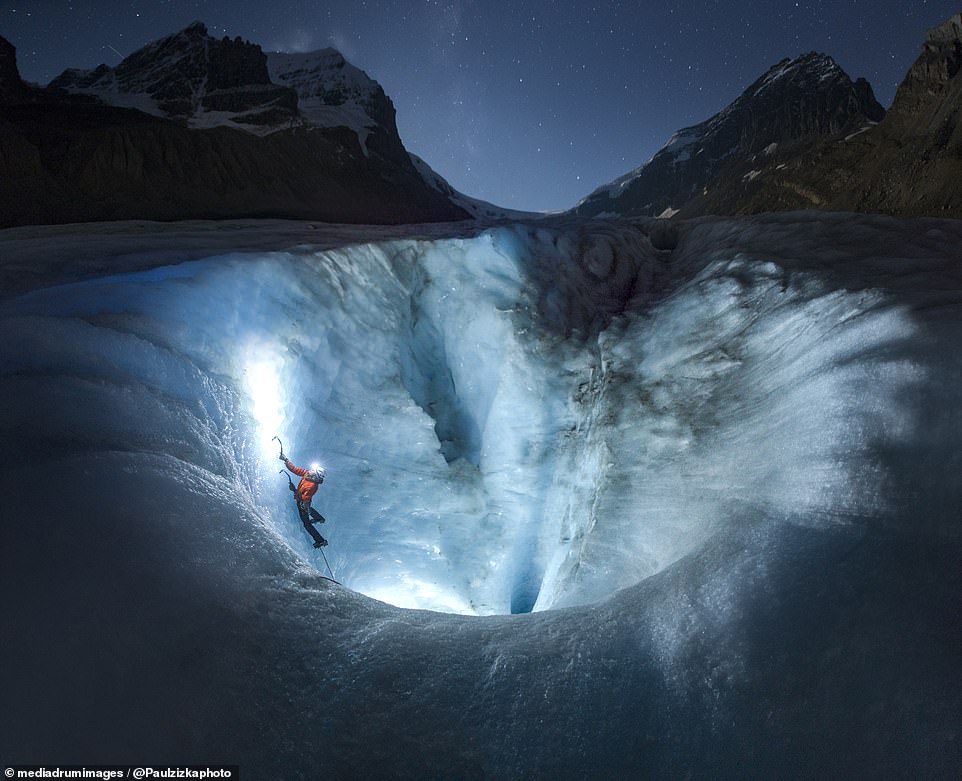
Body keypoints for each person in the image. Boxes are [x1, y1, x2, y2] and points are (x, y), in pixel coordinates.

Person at [280, 454, 328, 548]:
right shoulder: (307, 473)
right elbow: (295, 470)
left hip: (303, 503)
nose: (312, 471)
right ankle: (319, 518)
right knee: (308, 510)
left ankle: (321, 541)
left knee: (307, 524)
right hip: (304, 501)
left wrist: (294, 490)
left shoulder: (313, 486)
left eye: (314, 471)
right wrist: (286, 460)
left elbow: (304, 498)